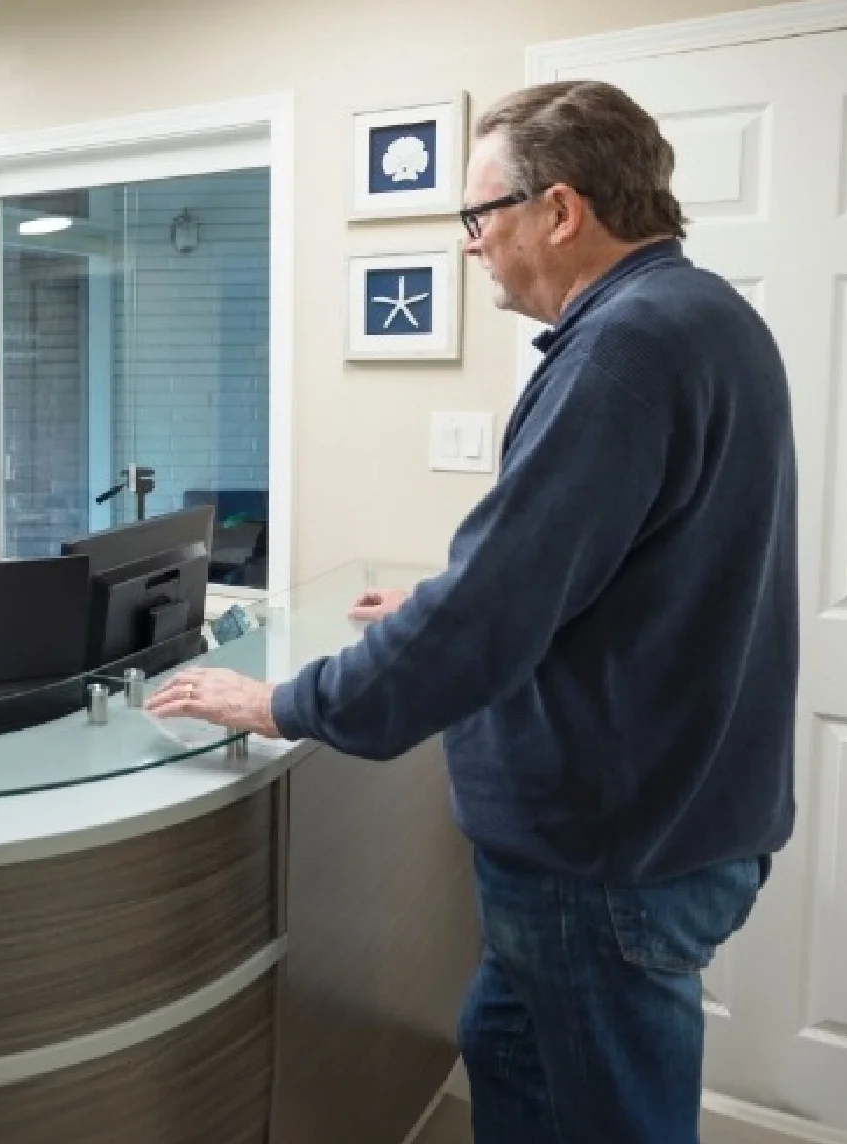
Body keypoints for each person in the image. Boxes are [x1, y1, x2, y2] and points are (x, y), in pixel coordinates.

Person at [149, 79, 797, 1144]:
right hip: (671, 818)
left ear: (559, 209)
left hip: (605, 855)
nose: (469, 243)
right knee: (503, 1046)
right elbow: (607, 568)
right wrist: (444, 597)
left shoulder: (624, 349)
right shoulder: (710, 318)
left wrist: (283, 701)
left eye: (477, 214)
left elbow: (491, 616)